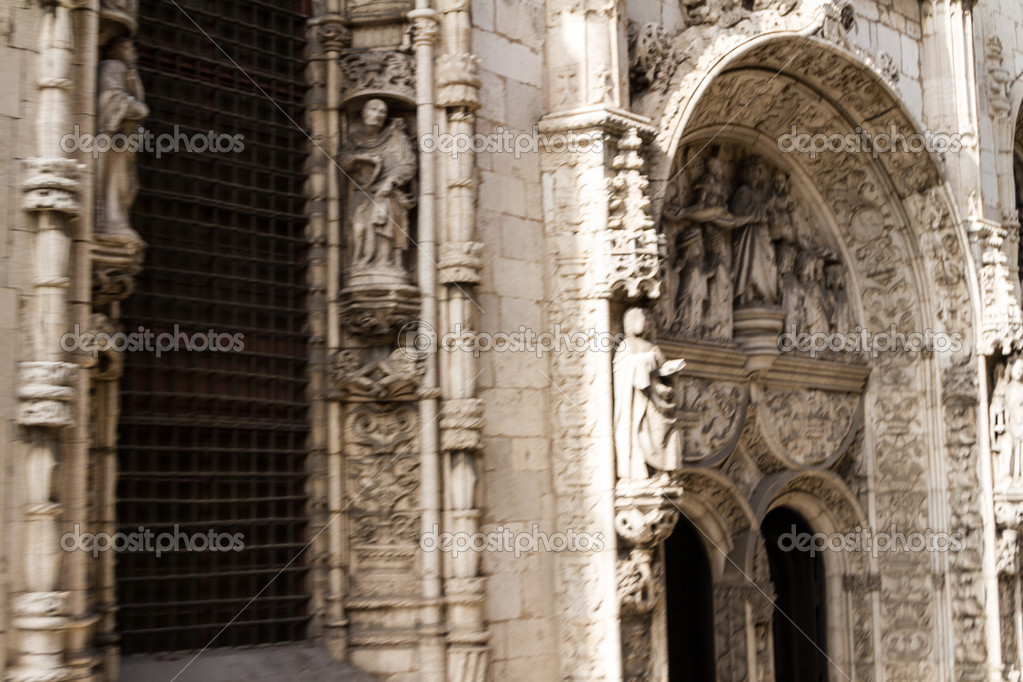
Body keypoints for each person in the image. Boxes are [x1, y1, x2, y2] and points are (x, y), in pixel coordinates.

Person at [339, 98, 416, 270]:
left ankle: (385, 262)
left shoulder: (396, 137)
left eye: (382, 111)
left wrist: (391, 181)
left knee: (383, 223)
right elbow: (342, 162)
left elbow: (408, 164)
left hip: (387, 193)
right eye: (373, 109)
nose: (378, 114)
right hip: (361, 191)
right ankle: (358, 263)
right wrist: (362, 158)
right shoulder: (355, 140)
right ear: (364, 113)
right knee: (358, 228)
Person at [613, 308, 686, 483]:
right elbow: (624, 371)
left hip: (656, 399)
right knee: (641, 432)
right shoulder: (625, 346)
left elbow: (661, 367)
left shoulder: (653, 348)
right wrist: (645, 364)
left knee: (668, 432)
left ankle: (664, 472)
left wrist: (669, 371)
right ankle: (642, 473)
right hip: (637, 400)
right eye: (646, 319)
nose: (650, 323)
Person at [96, 38, 148, 245]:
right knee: (115, 183)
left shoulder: (126, 71)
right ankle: (109, 223)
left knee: (123, 184)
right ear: (117, 50)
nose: (133, 54)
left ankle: (113, 221)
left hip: (122, 140)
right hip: (112, 138)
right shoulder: (112, 66)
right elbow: (111, 97)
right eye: (128, 48)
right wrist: (137, 109)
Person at [992, 357, 1023, 485]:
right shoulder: (1006, 387)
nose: (1019, 371)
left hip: (1020, 421)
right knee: (1008, 445)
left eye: (1022, 369)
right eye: (1017, 368)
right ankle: (1007, 476)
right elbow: (997, 404)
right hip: (1010, 423)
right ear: (1011, 369)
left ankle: (1019, 475)